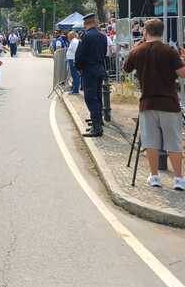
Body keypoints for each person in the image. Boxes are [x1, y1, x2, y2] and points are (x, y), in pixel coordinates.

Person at [122, 18, 185, 190]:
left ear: (145, 31)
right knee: (173, 143)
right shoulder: (170, 51)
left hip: (148, 103)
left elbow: (125, 68)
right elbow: (182, 73)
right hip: (169, 103)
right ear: (162, 32)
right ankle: (179, 179)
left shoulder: (138, 50)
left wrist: (138, 48)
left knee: (151, 142)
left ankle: (155, 176)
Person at [75, 13, 108, 137]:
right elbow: (104, 53)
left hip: (89, 70)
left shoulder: (86, 36)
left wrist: (79, 68)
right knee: (98, 97)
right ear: (95, 22)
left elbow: (79, 55)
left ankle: (97, 128)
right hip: (99, 68)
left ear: (86, 24)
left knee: (90, 98)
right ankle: (97, 122)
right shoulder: (102, 36)